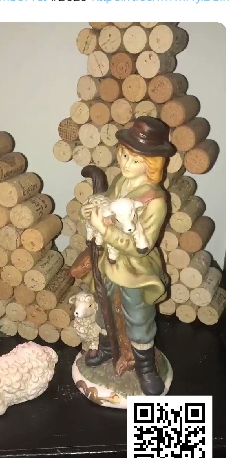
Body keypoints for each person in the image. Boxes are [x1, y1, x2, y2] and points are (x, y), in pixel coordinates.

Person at [80, 117, 175, 395]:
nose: (125, 164)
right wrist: (93, 211)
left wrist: (105, 231)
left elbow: (139, 247)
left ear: (151, 164)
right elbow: (109, 208)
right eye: (123, 155)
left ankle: (145, 367)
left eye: (135, 160)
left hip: (135, 269)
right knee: (105, 305)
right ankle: (108, 348)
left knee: (138, 316)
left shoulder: (155, 200)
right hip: (108, 262)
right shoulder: (122, 181)